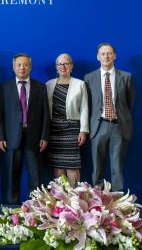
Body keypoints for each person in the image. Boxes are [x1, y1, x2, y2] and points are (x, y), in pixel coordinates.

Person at [0, 53, 49, 204]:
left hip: (34, 138)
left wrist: (44, 136)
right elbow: (0, 115)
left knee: (35, 176)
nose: (22, 67)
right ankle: (12, 208)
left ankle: (36, 209)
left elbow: (46, 114)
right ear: (13, 67)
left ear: (30, 67)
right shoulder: (5, 87)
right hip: (11, 138)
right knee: (12, 174)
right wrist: (1, 137)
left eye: (25, 64)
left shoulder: (40, 87)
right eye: (19, 65)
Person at [84, 43, 135, 191]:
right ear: (98, 57)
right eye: (103, 53)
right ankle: (97, 202)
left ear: (115, 55)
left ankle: (118, 203)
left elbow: (129, 103)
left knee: (117, 167)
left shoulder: (126, 77)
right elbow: (88, 104)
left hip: (119, 126)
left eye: (109, 53)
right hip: (98, 126)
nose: (106, 56)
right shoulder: (89, 78)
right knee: (97, 167)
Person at [45, 53, 88, 186]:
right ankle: (60, 201)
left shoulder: (80, 84)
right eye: (60, 64)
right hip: (54, 130)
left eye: (66, 63)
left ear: (71, 66)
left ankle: (75, 200)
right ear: (56, 67)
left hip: (72, 129)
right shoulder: (48, 85)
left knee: (72, 166)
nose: (63, 66)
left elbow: (85, 108)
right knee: (57, 166)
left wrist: (83, 131)